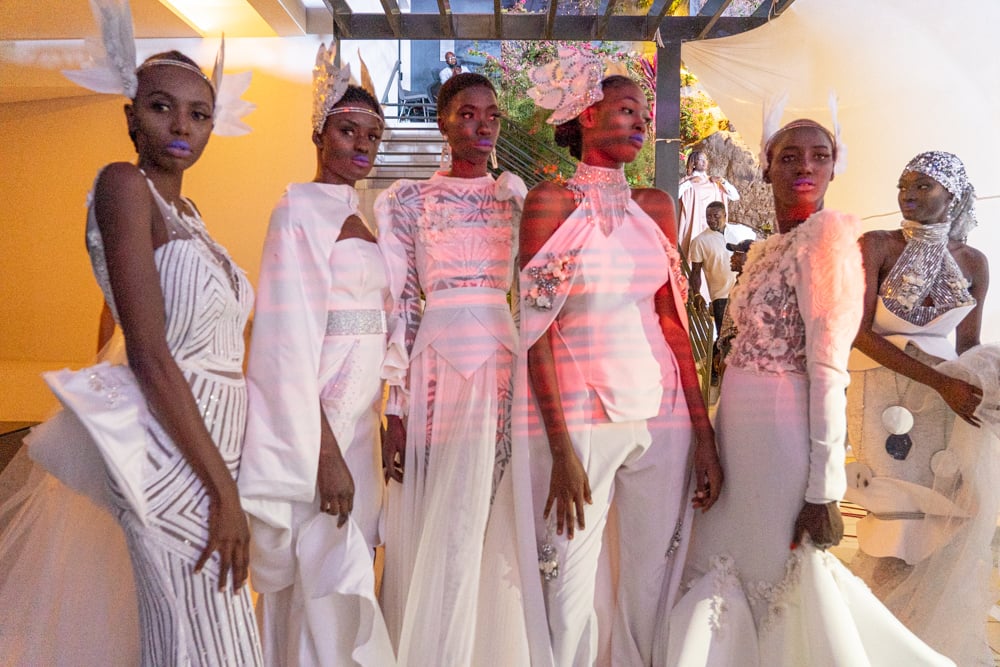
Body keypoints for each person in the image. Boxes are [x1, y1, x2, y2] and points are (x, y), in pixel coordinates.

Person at [660, 118, 953, 666]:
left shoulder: (827, 242)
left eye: (819, 156)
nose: (804, 167)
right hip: (737, 426)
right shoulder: (772, 244)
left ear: (833, 168)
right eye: (790, 156)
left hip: (782, 434)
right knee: (727, 555)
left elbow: (829, 371)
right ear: (767, 165)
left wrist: (824, 490)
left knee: (777, 567)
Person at [519, 47, 723, 666]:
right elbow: (536, 329)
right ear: (585, 115)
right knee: (568, 575)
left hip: (662, 412)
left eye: (644, 115)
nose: (641, 124)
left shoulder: (656, 206)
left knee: (652, 573)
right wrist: (559, 448)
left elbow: (674, 321)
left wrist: (703, 429)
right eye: (627, 110)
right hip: (581, 415)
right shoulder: (548, 202)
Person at [237, 45, 395, 667]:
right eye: (347, 130)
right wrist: (325, 452)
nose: (362, 144)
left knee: (346, 563)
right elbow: (286, 341)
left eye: (373, 135)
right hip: (318, 426)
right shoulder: (296, 211)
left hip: (362, 422)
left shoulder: (356, 213)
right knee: (319, 569)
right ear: (318, 133)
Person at [376, 72, 538, 667]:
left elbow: (541, 291)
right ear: (443, 121)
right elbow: (400, 304)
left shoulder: (514, 197)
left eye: (492, 114)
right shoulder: (404, 201)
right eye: (468, 113)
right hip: (434, 373)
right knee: (440, 509)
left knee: (492, 509)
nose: (483, 124)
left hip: (501, 363)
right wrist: (393, 407)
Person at [846, 151, 997, 666]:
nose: (908, 195)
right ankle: (875, 642)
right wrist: (938, 381)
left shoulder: (975, 261)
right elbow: (860, 332)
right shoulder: (877, 245)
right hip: (881, 393)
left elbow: (969, 348)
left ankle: (919, 641)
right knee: (889, 516)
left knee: (935, 521)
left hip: (942, 405)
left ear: (953, 195)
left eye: (924, 186)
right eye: (903, 185)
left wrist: (981, 390)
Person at [688, 201, 755, 383]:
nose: (712, 220)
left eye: (716, 216)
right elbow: (695, 273)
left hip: (740, 290)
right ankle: (716, 375)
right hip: (719, 295)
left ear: (725, 215)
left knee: (733, 336)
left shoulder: (738, 233)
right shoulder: (699, 241)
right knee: (724, 334)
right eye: (708, 216)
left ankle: (720, 371)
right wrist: (696, 294)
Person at [677, 150, 741, 256]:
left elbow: (735, 196)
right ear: (693, 163)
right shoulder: (687, 180)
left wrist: (723, 181)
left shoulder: (714, 181)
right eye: (700, 159)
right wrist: (689, 183)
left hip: (712, 225)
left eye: (705, 159)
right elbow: (674, 196)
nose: (704, 162)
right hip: (694, 224)